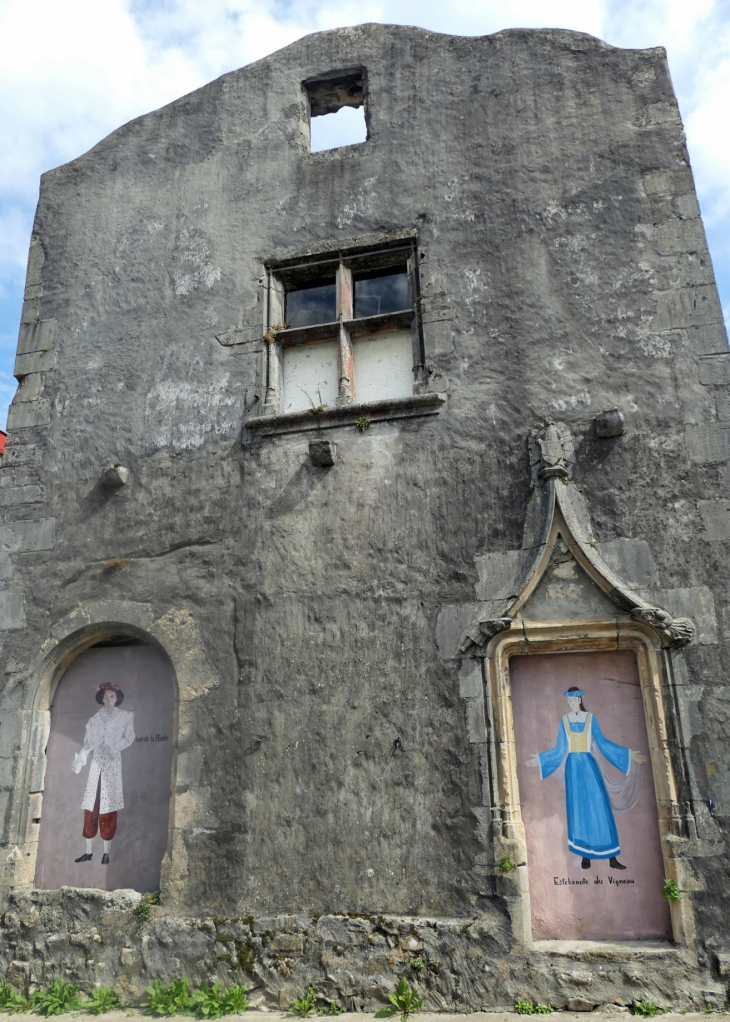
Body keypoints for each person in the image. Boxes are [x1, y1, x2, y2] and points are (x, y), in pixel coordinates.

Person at [525, 686, 646, 869]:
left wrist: (628, 756)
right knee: (578, 811)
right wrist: (541, 760)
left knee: (599, 808)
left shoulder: (590, 719)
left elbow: (603, 743)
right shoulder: (564, 721)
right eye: (569, 700)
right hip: (573, 768)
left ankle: (611, 858)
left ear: (580, 700)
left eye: (574, 700)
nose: (571, 703)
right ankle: (585, 856)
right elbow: (559, 749)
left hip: (589, 766)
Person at [71, 682, 135, 865]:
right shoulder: (93, 720)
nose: (108, 700)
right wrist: (80, 759)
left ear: (118, 698)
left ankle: (106, 852)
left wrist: (113, 747)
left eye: (112, 696)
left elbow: (130, 737)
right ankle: (88, 851)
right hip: (96, 767)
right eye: (105, 697)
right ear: (101, 698)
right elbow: (87, 744)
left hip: (112, 766)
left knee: (108, 810)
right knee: (91, 808)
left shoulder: (126, 717)